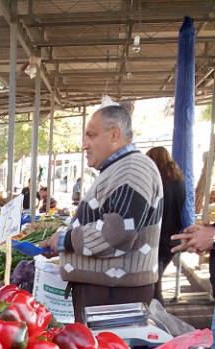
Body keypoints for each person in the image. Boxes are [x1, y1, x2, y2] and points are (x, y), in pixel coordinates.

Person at [43, 104, 163, 321]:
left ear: (115, 134)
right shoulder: (119, 169)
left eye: (91, 135)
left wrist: (65, 240)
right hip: (108, 293)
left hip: (114, 296)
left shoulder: (132, 169)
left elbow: (117, 233)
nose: (84, 144)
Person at [146, 146, 186, 303]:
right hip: (173, 236)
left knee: (154, 282)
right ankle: (157, 308)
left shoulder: (154, 181)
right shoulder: (179, 181)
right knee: (157, 277)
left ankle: (157, 312)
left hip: (155, 236)